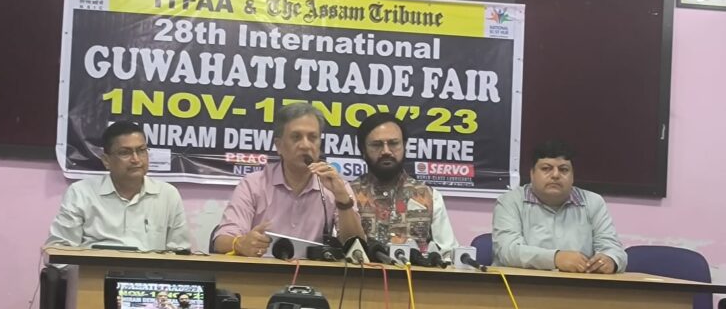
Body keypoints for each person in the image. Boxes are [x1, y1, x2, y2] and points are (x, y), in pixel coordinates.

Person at [211, 103, 365, 256]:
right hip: (261, 269)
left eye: (313, 138)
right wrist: (240, 243)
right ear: (279, 146)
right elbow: (220, 240)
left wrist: (343, 200)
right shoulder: (254, 184)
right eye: (296, 137)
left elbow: (356, 247)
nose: (305, 145)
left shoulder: (335, 186)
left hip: (313, 271)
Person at [45, 121, 190, 251]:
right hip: (94, 271)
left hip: (148, 273)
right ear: (106, 160)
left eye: (141, 150)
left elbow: (180, 251)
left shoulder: (168, 194)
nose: (136, 159)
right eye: (125, 153)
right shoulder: (81, 193)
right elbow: (59, 248)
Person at [492, 140, 626, 273]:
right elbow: (507, 251)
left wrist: (610, 260)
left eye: (563, 170)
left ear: (572, 176)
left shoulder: (593, 202)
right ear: (532, 174)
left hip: (579, 284)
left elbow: (613, 248)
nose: (555, 175)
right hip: (521, 284)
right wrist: (555, 258)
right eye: (546, 169)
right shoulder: (510, 201)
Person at [350, 112, 458, 259]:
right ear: (363, 149)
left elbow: (449, 255)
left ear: (405, 146)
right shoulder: (348, 195)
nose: (386, 151)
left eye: (393, 143)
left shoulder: (430, 196)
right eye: (377, 145)